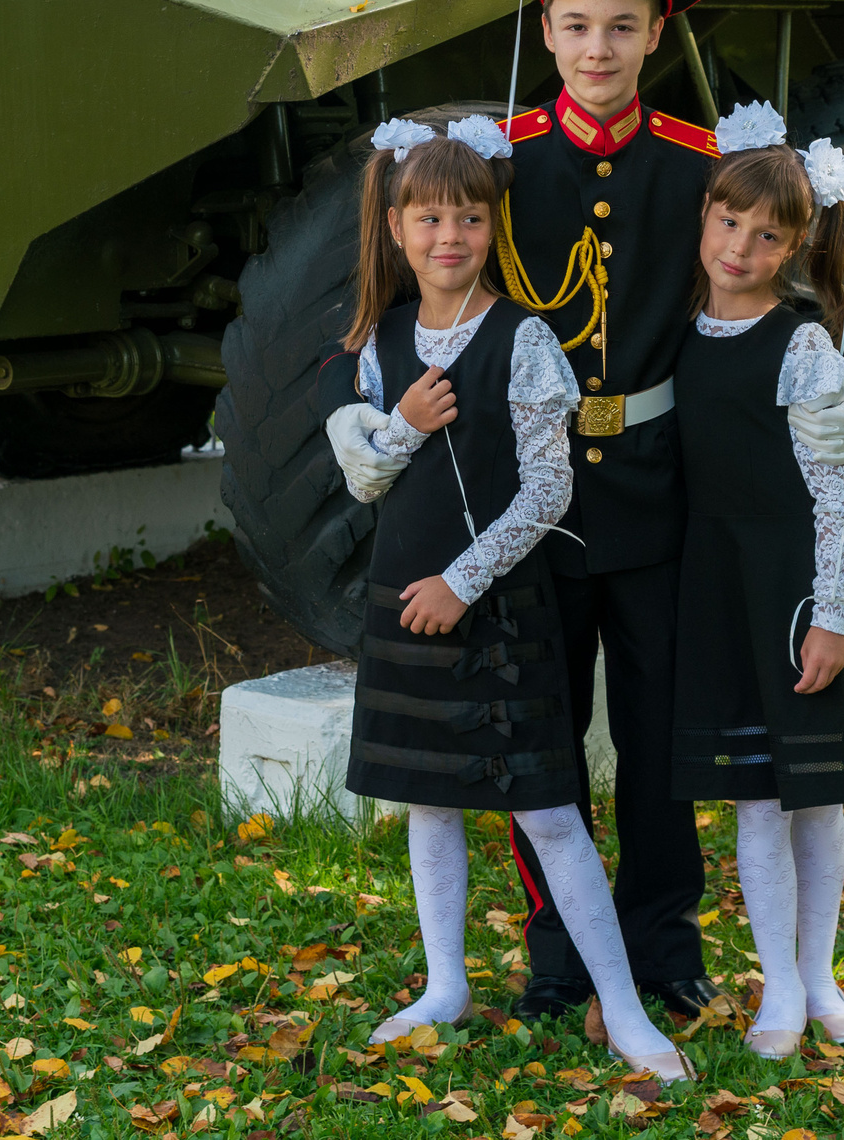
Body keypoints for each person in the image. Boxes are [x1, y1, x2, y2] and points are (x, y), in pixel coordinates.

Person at [327, 0, 844, 1028]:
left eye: (622, 27)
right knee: (539, 732)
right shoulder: (496, 165)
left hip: (657, 483)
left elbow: (763, 292)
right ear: (544, 29)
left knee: (658, 723)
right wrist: (370, 417)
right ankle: (557, 957)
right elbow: (421, 286)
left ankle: (664, 945)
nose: (597, 49)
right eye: (575, 25)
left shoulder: (700, 165)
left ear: (657, 33)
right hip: (517, 493)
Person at [338, 114, 692, 1082]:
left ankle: (621, 1007)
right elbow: (366, 479)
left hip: (493, 606)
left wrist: (461, 581)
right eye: (427, 218)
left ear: (491, 228)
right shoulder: (379, 341)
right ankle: (444, 982)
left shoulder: (524, 337)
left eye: (466, 218)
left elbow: (549, 490)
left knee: (546, 810)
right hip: (401, 601)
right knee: (429, 802)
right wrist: (402, 425)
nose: (446, 237)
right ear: (396, 226)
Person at [670, 102, 844, 1060]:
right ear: (704, 217)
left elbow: (835, 494)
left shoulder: (804, 342)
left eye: (765, 235)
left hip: (794, 592)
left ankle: (819, 976)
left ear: (794, 246)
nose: (739, 246)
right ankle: (776, 983)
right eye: (727, 223)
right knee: (754, 798)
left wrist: (831, 616)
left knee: (814, 796)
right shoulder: (677, 331)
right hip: (717, 588)